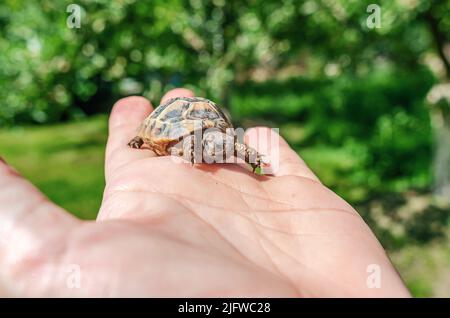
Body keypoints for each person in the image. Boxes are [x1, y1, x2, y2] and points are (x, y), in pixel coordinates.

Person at [0, 88, 410, 297]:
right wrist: (154, 140)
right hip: (173, 129)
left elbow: (233, 146)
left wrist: (251, 159)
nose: (213, 151)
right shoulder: (181, 139)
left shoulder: (220, 140)